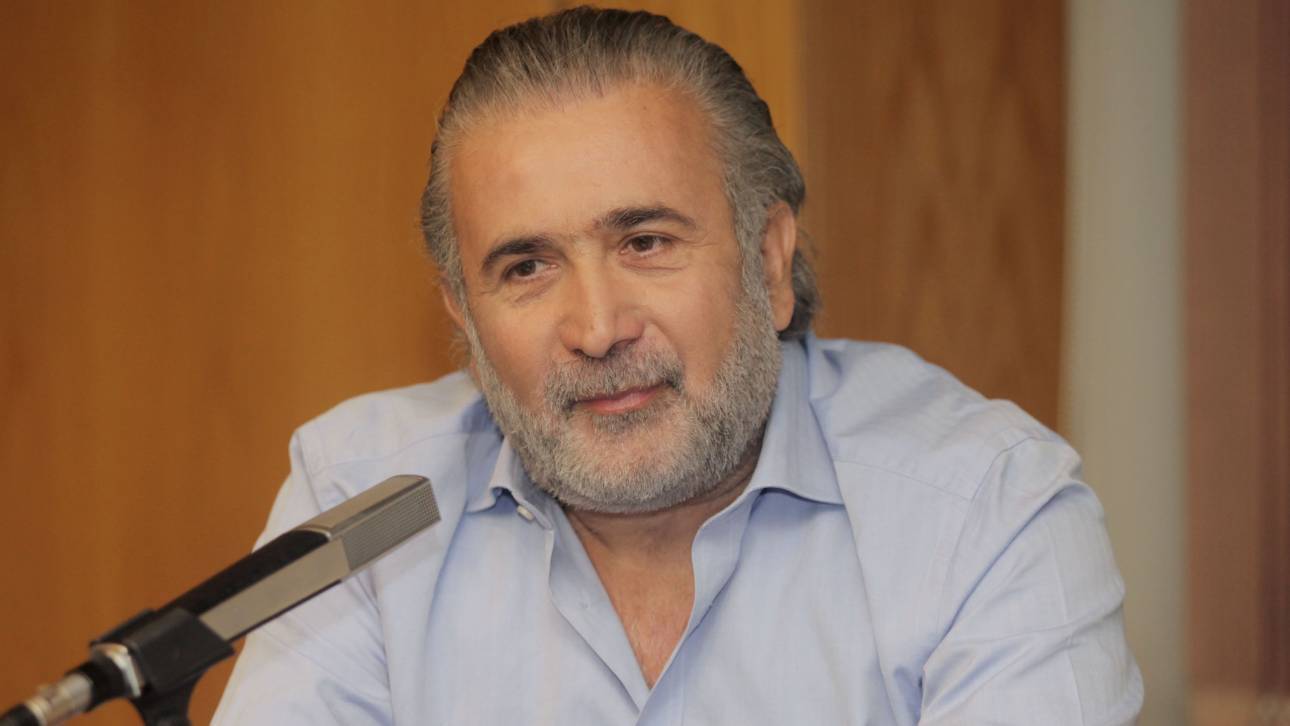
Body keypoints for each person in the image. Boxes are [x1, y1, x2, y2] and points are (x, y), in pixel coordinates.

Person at [213, 7, 1142, 724]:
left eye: (646, 242)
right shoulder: (361, 505)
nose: (597, 328)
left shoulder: (983, 507)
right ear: (463, 313)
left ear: (768, 260)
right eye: (526, 268)